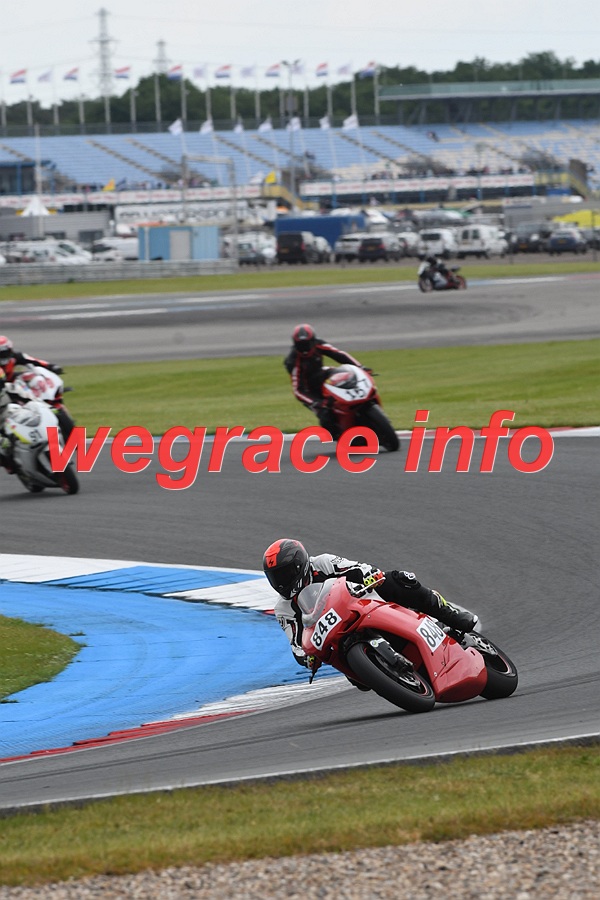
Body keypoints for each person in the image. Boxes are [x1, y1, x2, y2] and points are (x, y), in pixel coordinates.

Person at [262, 538, 478, 670]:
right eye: (275, 577)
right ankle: (381, 672)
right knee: (355, 678)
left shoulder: (322, 563)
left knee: (399, 580)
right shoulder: (283, 609)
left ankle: (449, 614)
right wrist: (306, 658)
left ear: (299, 565)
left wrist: (370, 575)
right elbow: (296, 643)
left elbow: (357, 568)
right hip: (337, 636)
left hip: (360, 604)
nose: (281, 582)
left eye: (284, 574)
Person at [284, 324, 368, 433]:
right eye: (301, 345)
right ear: (295, 345)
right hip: (310, 391)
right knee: (325, 416)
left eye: (307, 344)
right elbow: (298, 390)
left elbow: (338, 354)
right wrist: (317, 403)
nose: (304, 349)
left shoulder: (318, 344)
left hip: (322, 375)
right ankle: (340, 436)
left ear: (312, 341)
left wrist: (360, 367)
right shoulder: (293, 361)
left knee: (346, 376)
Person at [0, 337, 64, 474]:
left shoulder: (9, 384)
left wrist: (46, 407)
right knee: (3, 448)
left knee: (30, 398)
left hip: (10, 398)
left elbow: (34, 362)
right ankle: (9, 464)